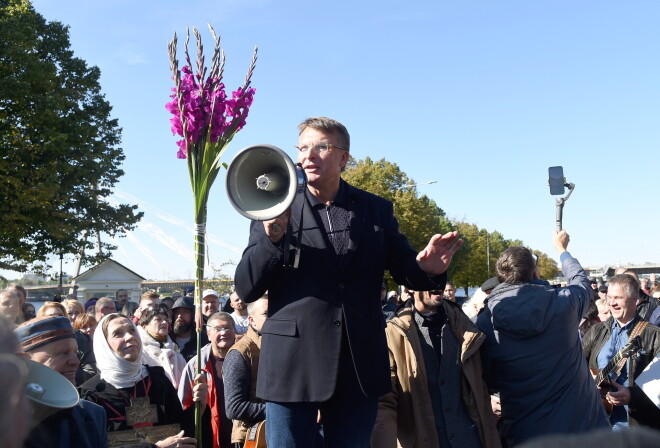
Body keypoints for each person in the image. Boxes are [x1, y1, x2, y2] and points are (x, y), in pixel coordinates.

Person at [235, 116, 463, 446]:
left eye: (321, 147)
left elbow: (405, 270)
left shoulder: (376, 210)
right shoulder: (274, 206)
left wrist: (430, 269)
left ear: (344, 157)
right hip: (292, 365)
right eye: (303, 147)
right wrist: (272, 236)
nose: (308, 155)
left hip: (358, 366)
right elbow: (246, 286)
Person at [476, 230, 609, 446]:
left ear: (500, 278)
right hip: (581, 429)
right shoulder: (564, 304)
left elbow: (486, 377)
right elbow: (581, 282)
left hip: (524, 432)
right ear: (535, 273)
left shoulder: (485, 321)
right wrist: (562, 250)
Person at [372, 289, 500, 448]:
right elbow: (384, 404)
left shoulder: (466, 327)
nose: (437, 284)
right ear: (410, 286)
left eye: (441, 275)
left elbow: (481, 391)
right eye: (429, 277)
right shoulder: (392, 334)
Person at [79, 313, 205, 447]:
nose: (129, 337)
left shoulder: (157, 379)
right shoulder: (90, 395)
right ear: (105, 345)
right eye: (118, 334)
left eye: (132, 330)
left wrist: (199, 407)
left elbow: (180, 428)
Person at [582, 274, 660, 430]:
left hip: (636, 427)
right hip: (599, 421)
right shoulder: (596, 331)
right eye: (609, 297)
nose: (612, 303)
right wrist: (589, 381)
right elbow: (576, 365)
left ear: (634, 299)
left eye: (618, 298)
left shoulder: (654, 335)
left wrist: (633, 396)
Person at [14, 316, 107, 447]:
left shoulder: (92, 415)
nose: (75, 362)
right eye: (62, 353)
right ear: (22, 361)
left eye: (76, 353)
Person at [179, 312, 236, 448]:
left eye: (228, 328)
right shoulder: (196, 366)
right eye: (218, 329)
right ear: (208, 334)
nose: (224, 333)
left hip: (240, 436)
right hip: (209, 437)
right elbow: (184, 405)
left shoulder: (245, 359)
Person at [224, 296, 268, 446]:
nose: (274, 318)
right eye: (266, 313)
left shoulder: (279, 347)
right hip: (250, 438)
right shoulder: (240, 353)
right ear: (251, 320)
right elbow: (235, 408)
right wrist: (280, 411)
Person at [137, 305, 186, 388]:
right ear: (144, 325)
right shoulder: (139, 351)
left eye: (166, 320)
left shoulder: (175, 350)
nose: (164, 322)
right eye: (158, 319)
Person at [170, 296, 209, 362]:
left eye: (185, 312)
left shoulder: (202, 340)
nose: (179, 316)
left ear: (193, 315)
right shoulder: (167, 339)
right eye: (177, 312)